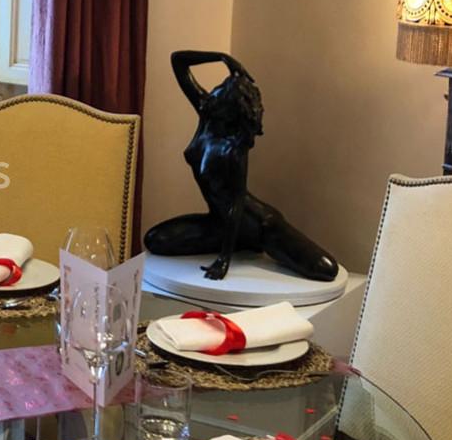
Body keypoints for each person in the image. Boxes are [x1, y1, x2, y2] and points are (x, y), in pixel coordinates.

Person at [144, 51, 339, 282]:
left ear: (231, 106)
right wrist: (222, 58)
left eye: (221, 89)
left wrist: (223, 260)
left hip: (259, 225)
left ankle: (245, 241)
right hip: (219, 222)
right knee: (156, 240)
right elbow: (178, 60)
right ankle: (241, 242)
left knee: (325, 268)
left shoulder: (234, 149)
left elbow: (235, 204)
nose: (214, 91)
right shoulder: (207, 114)